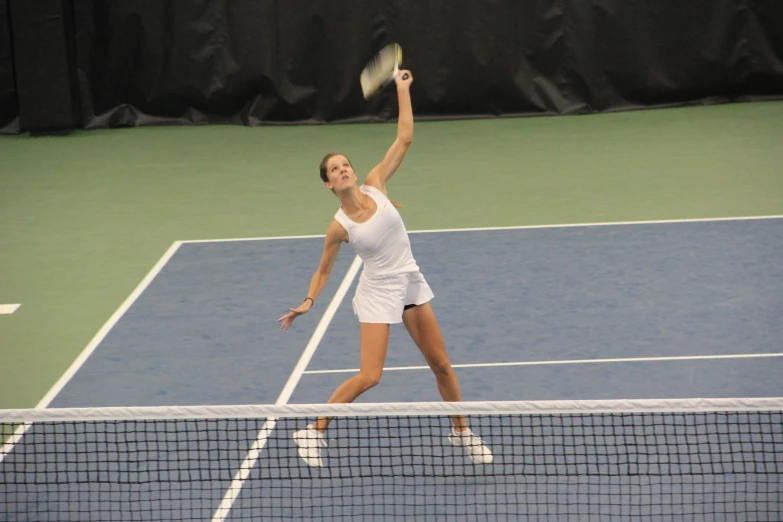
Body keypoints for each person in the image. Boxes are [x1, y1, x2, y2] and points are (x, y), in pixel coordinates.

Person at [278, 69, 492, 467]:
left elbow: (404, 139)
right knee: (370, 376)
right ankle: (311, 431)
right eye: (334, 170)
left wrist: (404, 90)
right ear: (328, 184)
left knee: (442, 365)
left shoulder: (377, 183)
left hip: (409, 281)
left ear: (354, 173)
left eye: (345, 165)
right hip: (377, 292)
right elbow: (324, 271)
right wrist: (309, 300)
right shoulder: (338, 227)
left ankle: (461, 431)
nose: (342, 170)